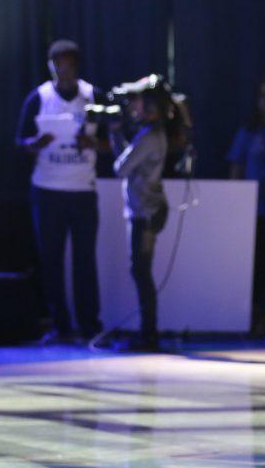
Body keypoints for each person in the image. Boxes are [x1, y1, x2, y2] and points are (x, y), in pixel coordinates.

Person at [16, 39, 104, 344]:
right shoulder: (39, 97)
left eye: (67, 65)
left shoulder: (92, 96)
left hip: (82, 188)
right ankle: (60, 326)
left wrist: (91, 143)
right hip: (48, 189)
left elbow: (109, 140)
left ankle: (90, 324)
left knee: (85, 261)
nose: (62, 71)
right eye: (56, 66)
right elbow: (20, 141)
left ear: (75, 66)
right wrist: (38, 143)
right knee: (51, 260)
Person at [110, 79, 173, 352]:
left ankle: (149, 334)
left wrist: (114, 136)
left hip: (146, 212)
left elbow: (121, 168)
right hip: (146, 209)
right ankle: (148, 332)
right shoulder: (149, 134)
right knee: (141, 271)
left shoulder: (149, 137)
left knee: (141, 272)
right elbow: (126, 163)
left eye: (137, 103)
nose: (132, 108)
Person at [228, 78, 265, 337]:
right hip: (255, 212)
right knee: (257, 268)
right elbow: (236, 167)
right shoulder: (249, 131)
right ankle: (252, 319)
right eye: (264, 95)